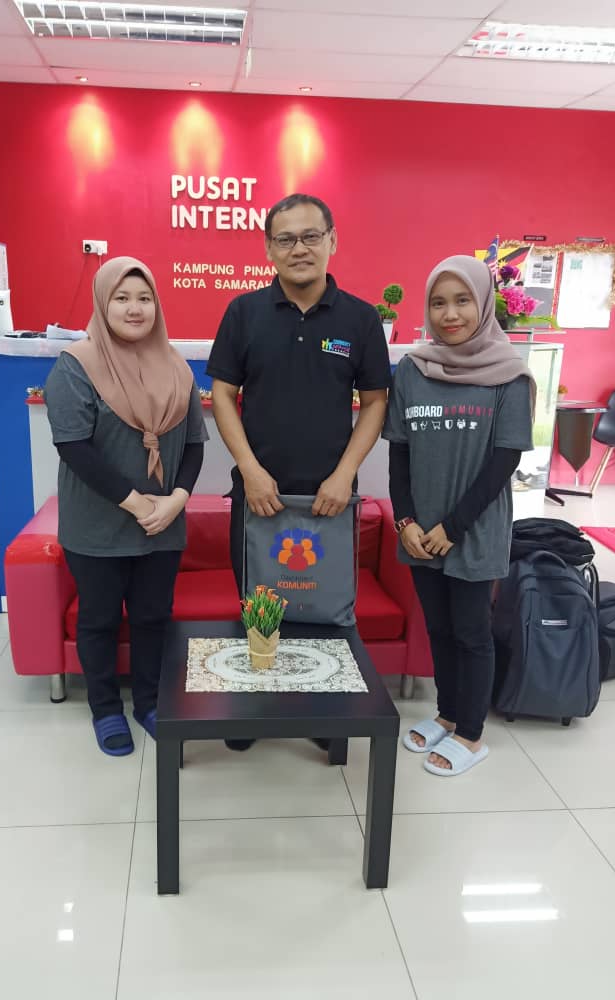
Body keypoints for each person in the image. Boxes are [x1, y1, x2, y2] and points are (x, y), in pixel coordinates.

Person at [206, 193, 392, 751]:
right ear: (269, 248)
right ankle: (254, 712)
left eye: (311, 236)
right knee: (260, 607)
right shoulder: (244, 313)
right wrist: (249, 468)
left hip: (329, 499)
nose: (299, 248)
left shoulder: (360, 319)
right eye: (285, 239)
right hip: (258, 495)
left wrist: (345, 474)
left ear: (332, 240)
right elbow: (222, 394)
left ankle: (323, 718)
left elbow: (375, 402)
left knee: (323, 609)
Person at [45, 256, 207, 757]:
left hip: (163, 525)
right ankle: (105, 709)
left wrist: (177, 500)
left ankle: (149, 702)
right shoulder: (75, 364)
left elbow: (194, 445)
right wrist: (138, 504)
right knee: (98, 620)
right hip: (97, 525)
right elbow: (74, 447)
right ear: (102, 302)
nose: (135, 309)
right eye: (122, 298)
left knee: (153, 616)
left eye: (144, 298)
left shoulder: (176, 366)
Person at [383, 255, 535, 777]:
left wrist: (453, 526)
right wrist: (405, 522)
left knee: (472, 632)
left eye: (463, 300)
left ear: (484, 303)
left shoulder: (509, 374)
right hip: (420, 533)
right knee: (439, 629)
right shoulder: (413, 369)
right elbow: (398, 453)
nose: (450, 314)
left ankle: (471, 733)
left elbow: (504, 460)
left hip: (472, 530)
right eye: (439, 303)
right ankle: (447, 714)